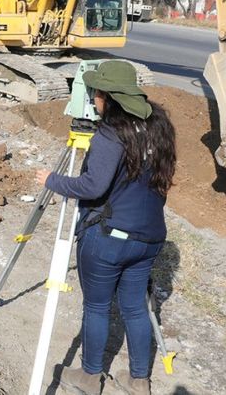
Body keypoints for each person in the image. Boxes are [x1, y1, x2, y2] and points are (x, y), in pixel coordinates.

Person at [34, 60, 176, 395]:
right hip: (150, 236)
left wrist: (52, 180)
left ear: (108, 97)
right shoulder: (159, 126)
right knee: (134, 308)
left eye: (97, 91)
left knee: (97, 307)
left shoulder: (111, 135)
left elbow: (92, 187)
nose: (94, 98)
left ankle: (88, 376)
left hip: (108, 238)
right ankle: (139, 380)